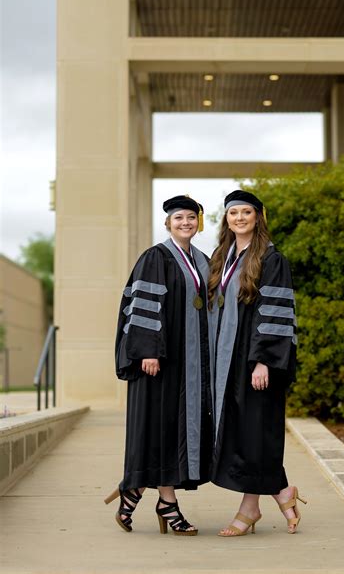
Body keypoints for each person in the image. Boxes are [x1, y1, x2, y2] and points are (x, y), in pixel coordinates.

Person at [105, 195, 213, 536]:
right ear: (168, 223)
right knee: (154, 429)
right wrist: (147, 350)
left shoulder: (202, 260)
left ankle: (148, 497)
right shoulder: (156, 257)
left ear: (199, 222)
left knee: (172, 433)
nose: (185, 223)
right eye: (178, 218)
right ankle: (152, 498)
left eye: (191, 218)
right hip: (159, 362)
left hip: (188, 367)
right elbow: (143, 305)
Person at [207, 189, 306, 537]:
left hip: (256, 359)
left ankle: (257, 505)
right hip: (229, 361)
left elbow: (275, 312)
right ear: (227, 220)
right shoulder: (224, 256)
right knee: (244, 431)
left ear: (258, 217)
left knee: (257, 429)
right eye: (233, 213)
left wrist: (263, 360)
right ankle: (275, 496)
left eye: (246, 212)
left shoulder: (271, 258)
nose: (239, 218)